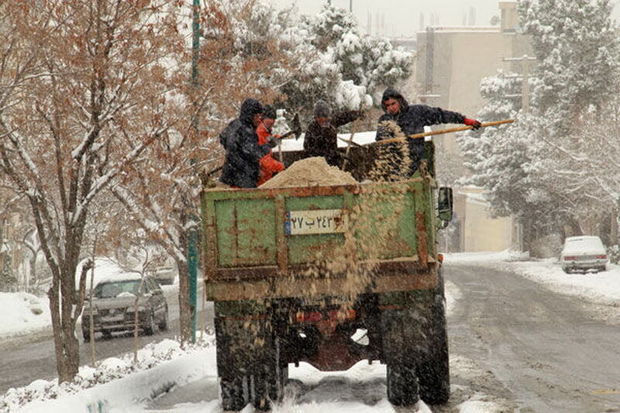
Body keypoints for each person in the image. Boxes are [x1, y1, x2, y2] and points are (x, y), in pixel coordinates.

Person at [376, 88, 481, 177]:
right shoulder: (384, 121)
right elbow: (380, 143)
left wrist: (465, 121)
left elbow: (441, 115)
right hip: (393, 165)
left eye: (393, 103)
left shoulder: (416, 113)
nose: (391, 108)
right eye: (387, 105)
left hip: (415, 162)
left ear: (400, 101)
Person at [219, 98, 278, 188]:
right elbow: (254, 153)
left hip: (230, 177)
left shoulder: (234, 124)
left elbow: (223, 138)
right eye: (257, 116)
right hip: (242, 179)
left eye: (260, 116)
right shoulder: (246, 131)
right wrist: (269, 145)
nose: (259, 119)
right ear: (250, 116)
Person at [303, 100, 364, 167]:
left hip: (334, 163)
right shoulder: (312, 129)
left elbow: (343, 116)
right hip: (319, 166)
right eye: (320, 118)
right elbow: (309, 150)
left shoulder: (331, 123)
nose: (323, 121)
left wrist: (355, 114)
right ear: (316, 118)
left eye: (325, 118)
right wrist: (335, 154)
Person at [256, 105, 285, 186]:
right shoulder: (259, 133)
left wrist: (275, 138)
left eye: (273, 119)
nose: (272, 121)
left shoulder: (266, 131)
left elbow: (267, 142)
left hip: (266, 177)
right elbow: (263, 159)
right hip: (261, 178)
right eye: (269, 118)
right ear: (263, 118)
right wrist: (280, 166)